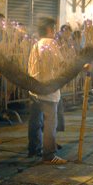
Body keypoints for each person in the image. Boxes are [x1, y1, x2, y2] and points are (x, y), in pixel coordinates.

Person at [27, 17, 67, 164]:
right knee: (50, 122)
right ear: (50, 29)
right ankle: (49, 154)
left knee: (35, 121)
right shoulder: (51, 44)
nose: (55, 32)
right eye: (54, 29)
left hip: (35, 89)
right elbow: (61, 64)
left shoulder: (36, 45)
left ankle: (34, 148)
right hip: (49, 90)